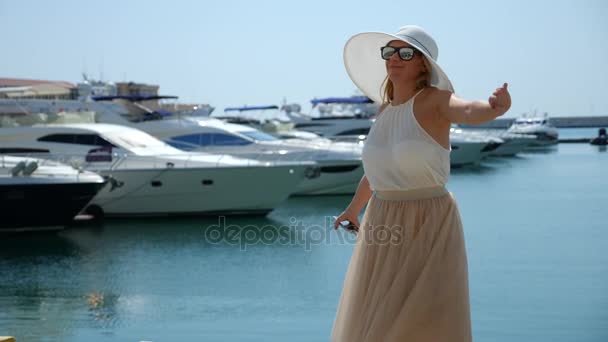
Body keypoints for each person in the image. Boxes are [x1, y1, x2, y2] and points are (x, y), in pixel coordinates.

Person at [331, 25, 511, 342]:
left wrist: (494, 107)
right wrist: (353, 209)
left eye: (406, 53)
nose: (394, 59)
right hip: (382, 221)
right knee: (376, 322)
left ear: (423, 64)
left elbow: (468, 110)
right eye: (390, 52)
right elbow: (377, 170)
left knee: (419, 322)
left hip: (427, 221)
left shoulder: (436, 101)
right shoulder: (385, 110)